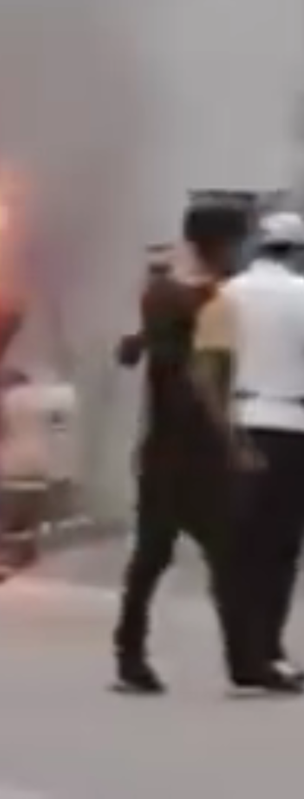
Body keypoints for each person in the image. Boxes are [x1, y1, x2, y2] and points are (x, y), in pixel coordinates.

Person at [111, 200, 290, 694]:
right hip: (199, 451)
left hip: (162, 447)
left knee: (154, 558)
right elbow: (202, 376)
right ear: (226, 244)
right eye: (242, 240)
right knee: (224, 560)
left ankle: (131, 656)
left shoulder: (164, 293)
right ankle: (245, 661)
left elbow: (138, 347)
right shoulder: (212, 301)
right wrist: (233, 443)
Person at [222, 211, 304, 687]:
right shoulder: (300, 296)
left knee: (240, 547)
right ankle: (268, 651)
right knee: (279, 548)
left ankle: (242, 656)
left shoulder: (229, 294)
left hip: (237, 421)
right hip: (291, 426)